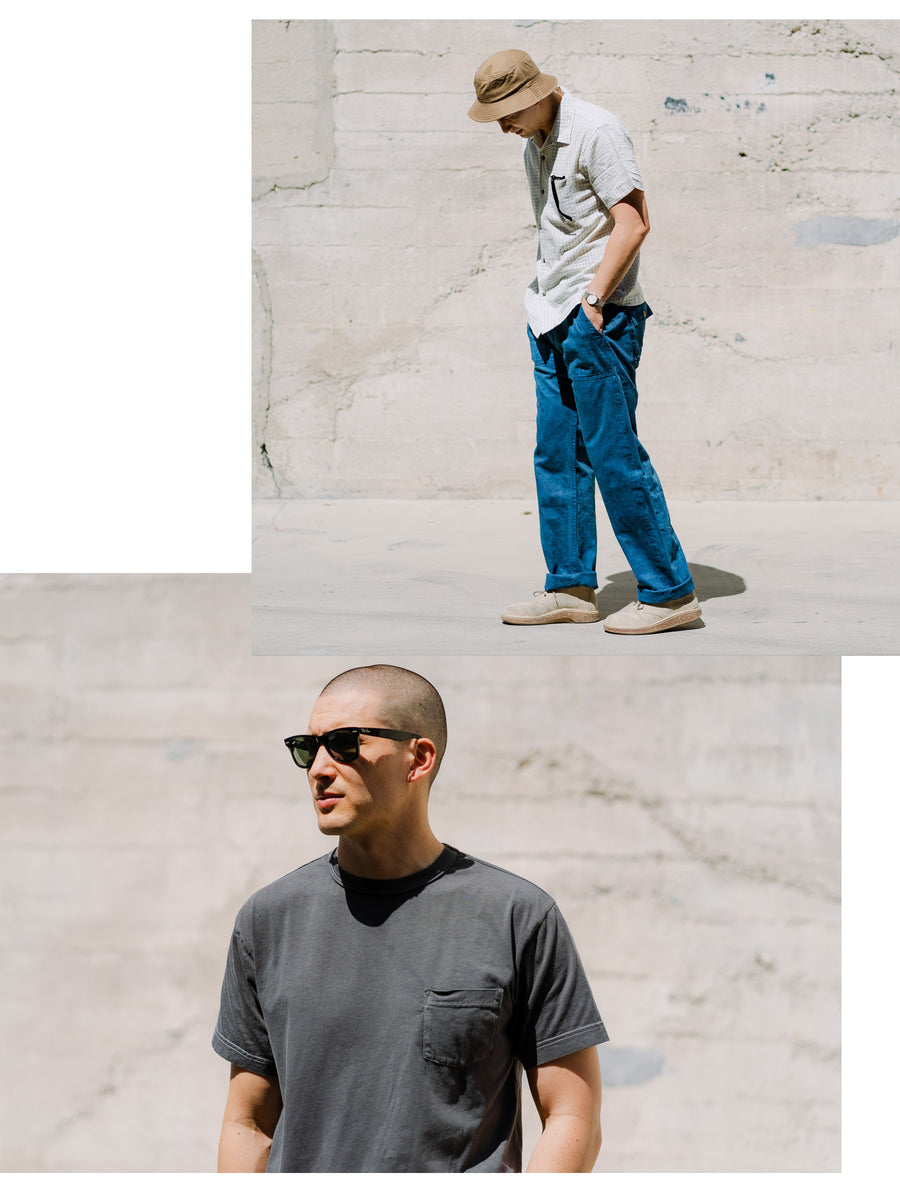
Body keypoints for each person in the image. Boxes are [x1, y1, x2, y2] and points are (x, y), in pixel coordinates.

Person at [213, 664, 606, 1173]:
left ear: (418, 758)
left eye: (345, 744)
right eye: (309, 748)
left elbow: (573, 1116)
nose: (319, 769)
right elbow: (248, 1123)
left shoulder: (517, 915)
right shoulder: (268, 920)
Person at [468, 49, 702, 635]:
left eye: (509, 111)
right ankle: (570, 587)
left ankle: (670, 593)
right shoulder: (535, 142)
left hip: (598, 316)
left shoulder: (597, 131)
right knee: (557, 456)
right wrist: (551, 306)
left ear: (537, 94)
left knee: (614, 455)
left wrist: (594, 300)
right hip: (550, 314)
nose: (503, 125)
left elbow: (635, 220)